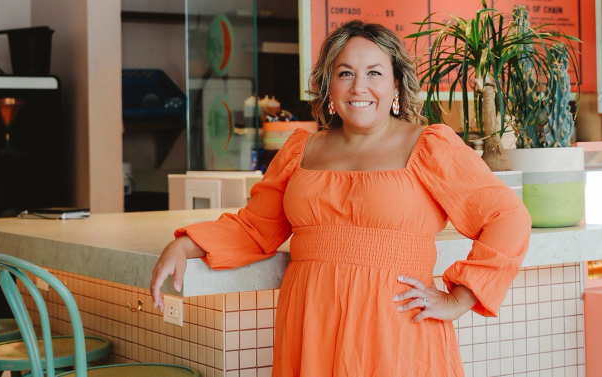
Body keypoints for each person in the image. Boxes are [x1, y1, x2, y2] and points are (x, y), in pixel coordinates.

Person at [151, 20, 531, 376]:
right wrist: (186, 245)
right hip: (310, 323)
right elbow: (255, 228)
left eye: (374, 73)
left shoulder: (429, 146)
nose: (358, 87)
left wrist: (460, 298)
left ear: (396, 86)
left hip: (396, 330)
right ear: (328, 86)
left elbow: (507, 217)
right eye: (345, 73)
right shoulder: (301, 150)